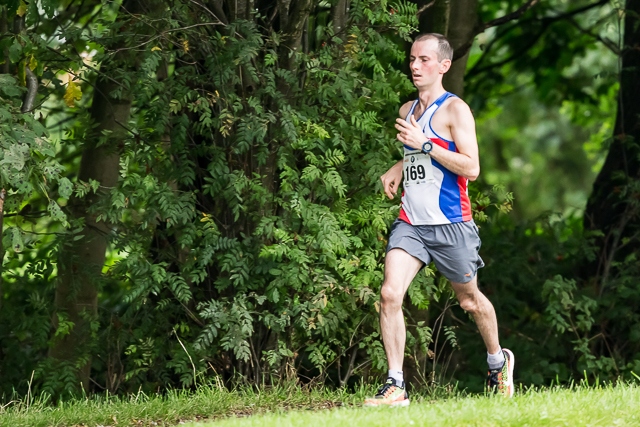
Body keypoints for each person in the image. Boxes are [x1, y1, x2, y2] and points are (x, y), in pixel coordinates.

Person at [363, 33, 514, 407]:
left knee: (470, 302)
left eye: (424, 60)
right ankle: (395, 384)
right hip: (412, 221)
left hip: (451, 223)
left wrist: (423, 144)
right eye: (412, 59)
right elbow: (418, 153)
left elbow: (471, 167)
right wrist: (399, 165)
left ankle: (498, 361)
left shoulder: (455, 110)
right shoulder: (406, 111)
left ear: (444, 65)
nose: (415, 66)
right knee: (389, 294)